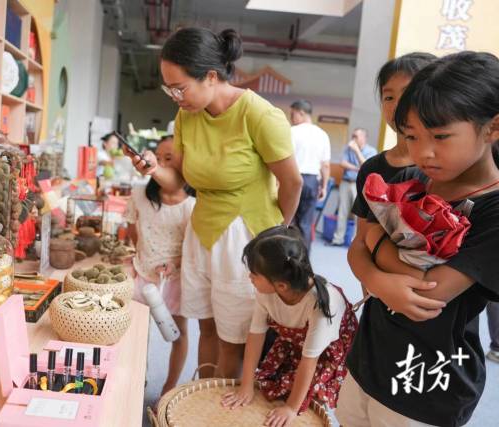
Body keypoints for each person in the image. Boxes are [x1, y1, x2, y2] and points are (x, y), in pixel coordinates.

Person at [125, 27, 303, 378]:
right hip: (202, 231)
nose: (175, 96)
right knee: (206, 327)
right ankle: (201, 399)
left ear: (210, 76)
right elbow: (183, 181)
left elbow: (292, 181)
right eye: (169, 88)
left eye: (180, 87)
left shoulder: (259, 115)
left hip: (244, 237)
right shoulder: (186, 117)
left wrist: (276, 232)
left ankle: (220, 409)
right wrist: (154, 170)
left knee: (234, 337)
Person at [336, 51, 499, 427]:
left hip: (428, 385)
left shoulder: (492, 208)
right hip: (368, 361)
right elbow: (356, 249)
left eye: (441, 136)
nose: (423, 152)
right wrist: (378, 278)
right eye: (411, 136)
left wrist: (375, 244)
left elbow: (426, 294)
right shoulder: (404, 178)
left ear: (491, 129)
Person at [220, 226, 357, 427]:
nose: (249, 277)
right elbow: (255, 336)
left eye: (254, 274)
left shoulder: (322, 306)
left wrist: (291, 408)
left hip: (326, 353)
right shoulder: (266, 291)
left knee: (310, 403)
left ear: (281, 285)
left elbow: (309, 362)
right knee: (278, 388)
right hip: (294, 343)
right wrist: (246, 385)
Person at [348, 52, 437, 297]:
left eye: (409, 92)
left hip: (437, 299)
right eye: (389, 96)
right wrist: (373, 282)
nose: (398, 104)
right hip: (382, 300)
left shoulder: (447, 167)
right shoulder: (372, 169)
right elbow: (360, 243)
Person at [125, 137, 195, 397]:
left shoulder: (194, 205)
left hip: (176, 278)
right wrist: (145, 255)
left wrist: (175, 262)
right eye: (158, 156)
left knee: (178, 333)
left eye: (169, 158)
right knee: (135, 333)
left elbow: (194, 246)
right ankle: (135, 380)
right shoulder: (139, 194)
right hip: (142, 273)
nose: (160, 163)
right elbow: (132, 228)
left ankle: (169, 386)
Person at [290, 100, 331, 251]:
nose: (291, 117)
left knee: (288, 220)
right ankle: (304, 260)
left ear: (301, 113)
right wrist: (324, 187)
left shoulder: (292, 131)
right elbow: (325, 165)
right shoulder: (322, 134)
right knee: (306, 224)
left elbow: (285, 160)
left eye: (293, 113)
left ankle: (288, 258)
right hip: (312, 181)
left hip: (293, 179)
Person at [330, 128, 376, 246]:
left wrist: (356, 151)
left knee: (358, 215)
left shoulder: (371, 151)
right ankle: (338, 239)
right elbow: (342, 163)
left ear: (364, 138)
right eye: (353, 136)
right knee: (342, 212)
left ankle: (355, 241)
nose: (353, 138)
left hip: (360, 185)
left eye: (356, 136)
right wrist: (357, 169)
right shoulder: (347, 148)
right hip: (346, 182)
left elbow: (366, 166)